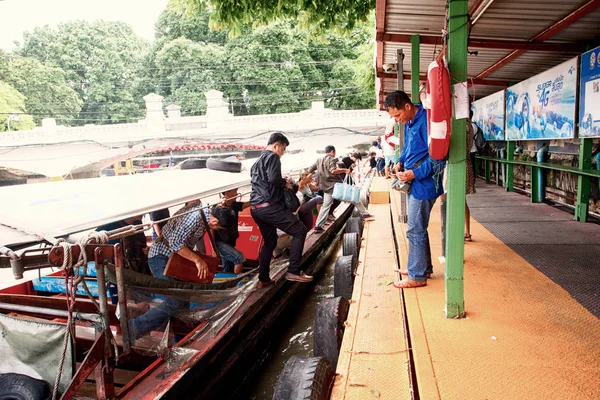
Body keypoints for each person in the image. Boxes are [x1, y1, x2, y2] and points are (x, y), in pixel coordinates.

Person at [128, 200, 220, 340]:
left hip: (175, 259)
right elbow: (175, 243)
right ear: (215, 220)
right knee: (175, 301)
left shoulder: (204, 214)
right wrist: (197, 260)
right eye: (219, 226)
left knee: (182, 298)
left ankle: (182, 337)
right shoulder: (195, 216)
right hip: (160, 257)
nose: (217, 228)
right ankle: (135, 327)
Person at [385, 91, 445, 289]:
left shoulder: (427, 121)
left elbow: (438, 157)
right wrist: (400, 161)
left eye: (397, 115)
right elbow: (409, 148)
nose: (397, 120)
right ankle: (422, 267)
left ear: (408, 107)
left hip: (423, 185)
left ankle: (417, 275)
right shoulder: (411, 121)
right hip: (416, 181)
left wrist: (415, 174)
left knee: (415, 229)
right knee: (419, 228)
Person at [250, 132, 312, 287]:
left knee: (270, 242)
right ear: (276, 145)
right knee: (299, 231)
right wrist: (285, 183)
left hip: (256, 208)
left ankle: (263, 279)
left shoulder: (256, 162)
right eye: (282, 149)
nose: (282, 153)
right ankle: (294, 271)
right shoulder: (272, 157)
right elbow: (273, 178)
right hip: (269, 206)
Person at [309, 145, 351, 233]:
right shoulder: (331, 158)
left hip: (326, 187)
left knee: (325, 205)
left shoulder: (319, 160)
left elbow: (310, 169)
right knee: (351, 197)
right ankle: (365, 213)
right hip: (335, 185)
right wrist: (344, 170)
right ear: (332, 151)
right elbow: (333, 170)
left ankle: (318, 226)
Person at [212, 193, 248, 274]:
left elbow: (246, 204)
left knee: (228, 264)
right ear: (227, 193)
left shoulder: (234, 205)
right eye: (235, 191)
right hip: (220, 241)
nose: (237, 194)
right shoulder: (216, 209)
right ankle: (238, 281)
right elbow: (212, 229)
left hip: (230, 240)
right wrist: (213, 249)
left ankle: (227, 280)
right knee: (239, 257)